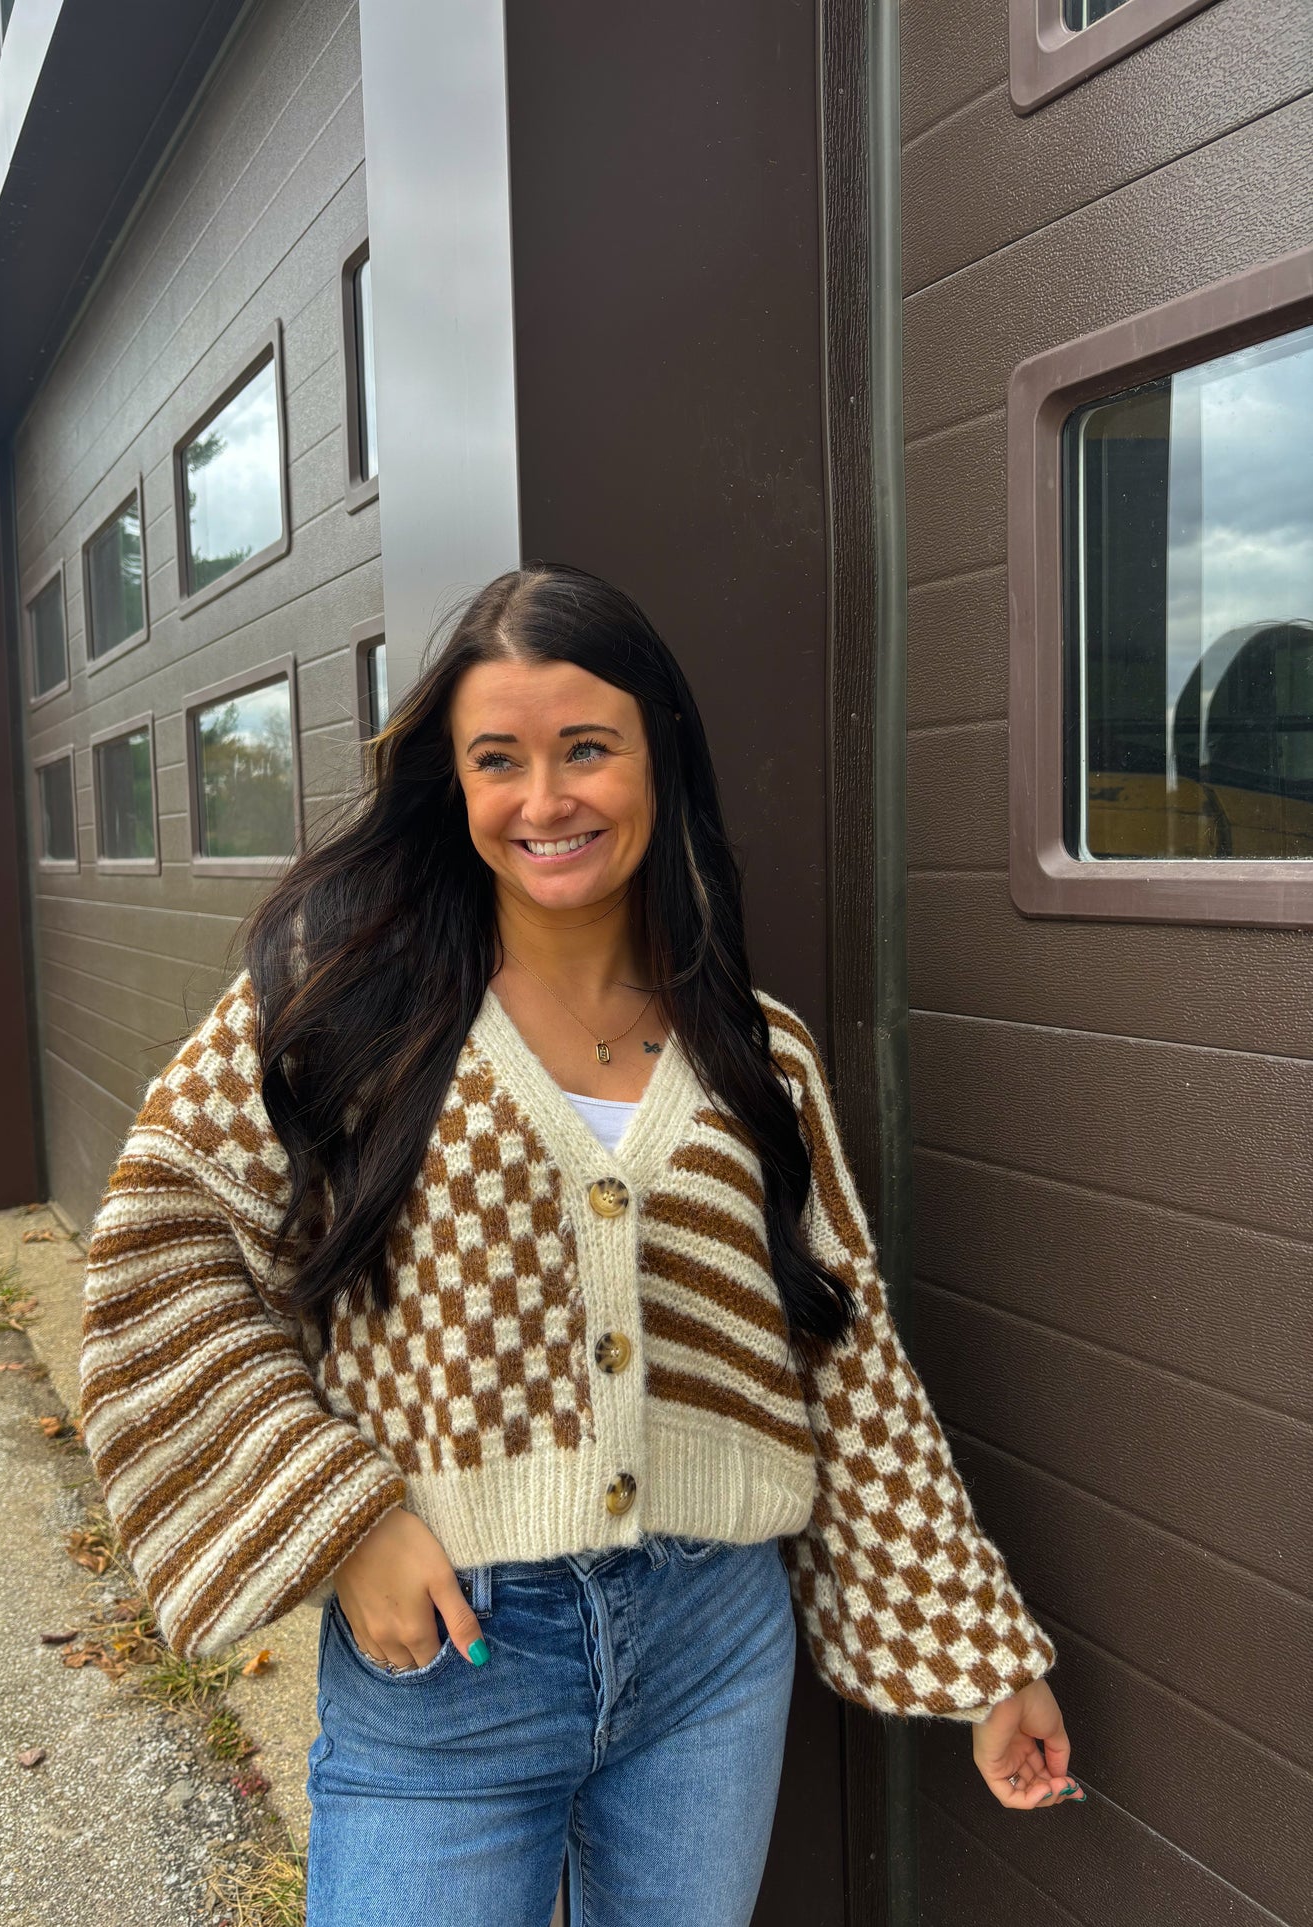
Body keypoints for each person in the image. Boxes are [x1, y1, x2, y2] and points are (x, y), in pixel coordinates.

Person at [80, 563, 1081, 1927]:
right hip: (449, 1660)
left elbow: (842, 1357)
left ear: (657, 759)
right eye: (498, 761)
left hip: (709, 1653)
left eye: (585, 751)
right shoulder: (346, 1014)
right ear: (457, 785)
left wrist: (982, 1663)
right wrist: (345, 1517)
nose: (543, 801)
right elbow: (163, 1242)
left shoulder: (756, 1055)